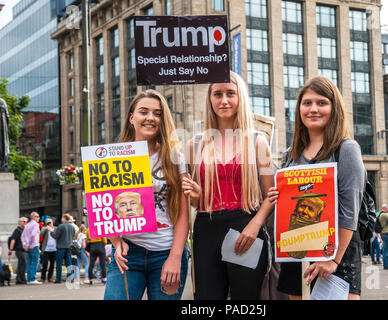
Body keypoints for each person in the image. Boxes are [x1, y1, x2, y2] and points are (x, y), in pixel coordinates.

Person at [267, 76, 366, 300]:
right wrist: (277, 196)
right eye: (307, 103)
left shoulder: (346, 149)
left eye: (322, 103)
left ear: (334, 108)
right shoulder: (289, 155)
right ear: (299, 109)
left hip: (336, 253)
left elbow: (351, 210)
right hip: (296, 252)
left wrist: (333, 259)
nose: (313, 109)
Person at [182, 71, 275, 300]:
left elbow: (271, 195)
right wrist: (196, 195)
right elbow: (196, 202)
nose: (224, 100)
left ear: (240, 97)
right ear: (210, 99)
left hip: (245, 228)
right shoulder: (195, 145)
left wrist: (255, 225)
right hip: (206, 230)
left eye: (230, 93)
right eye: (218, 94)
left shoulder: (257, 141)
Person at [104, 89, 189, 300]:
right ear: (132, 117)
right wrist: (116, 243)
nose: (151, 118)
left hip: (166, 253)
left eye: (157, 113)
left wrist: (175, 257)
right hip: (128, 253)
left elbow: (183, 213)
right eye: (144, 112)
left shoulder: (174, 156)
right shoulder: (112, 157)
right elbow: (106, 209)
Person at [51, 213, 76, 283]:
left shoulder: (61, 226)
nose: (61, 219)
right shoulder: (72, 227)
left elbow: (56, 236)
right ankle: (71, 278)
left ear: (64, 218)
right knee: (69, 262)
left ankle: (58, 279)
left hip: (61, 247)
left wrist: (51, 232)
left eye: (62, 218)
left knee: (59, 263)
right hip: (68, 247)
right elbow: (74, 235)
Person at [21, 212, 42, 284]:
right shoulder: (35, 224)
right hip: (33, 245)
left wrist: (25, 244)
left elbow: (23, 236)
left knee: (29, 262)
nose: (38, 218)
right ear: (33, 217)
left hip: (28, 246)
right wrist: (28, 244)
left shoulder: (27, 225)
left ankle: (29, 279)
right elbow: (33, 235)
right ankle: (32, 279)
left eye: (38, 216)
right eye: (37, 216)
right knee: (35, 262)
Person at [8, 217, 28, 284]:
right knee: (23, 263)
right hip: (19, 250)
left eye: (26, 221)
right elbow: (13, 240)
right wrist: (10, 249)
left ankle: (20, 279)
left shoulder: (24, 230)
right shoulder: (17, 230)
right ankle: (21, 279)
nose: (25, 223)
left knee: (21, 264)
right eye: (24, 221)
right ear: (20, 222)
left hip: (24, 250)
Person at [39, 218, 57, 283]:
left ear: (52, 222)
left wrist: (52, 230)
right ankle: (43, 278)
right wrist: (45, 228)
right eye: (48, 223)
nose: (49, 224)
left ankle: (50, 277)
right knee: (45, 264)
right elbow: (40, 234)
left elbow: (58, 236)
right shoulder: (45, 229)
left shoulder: (56, 228)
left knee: (52, 264)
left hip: (54, 249)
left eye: (50, 223)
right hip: (46, 249)